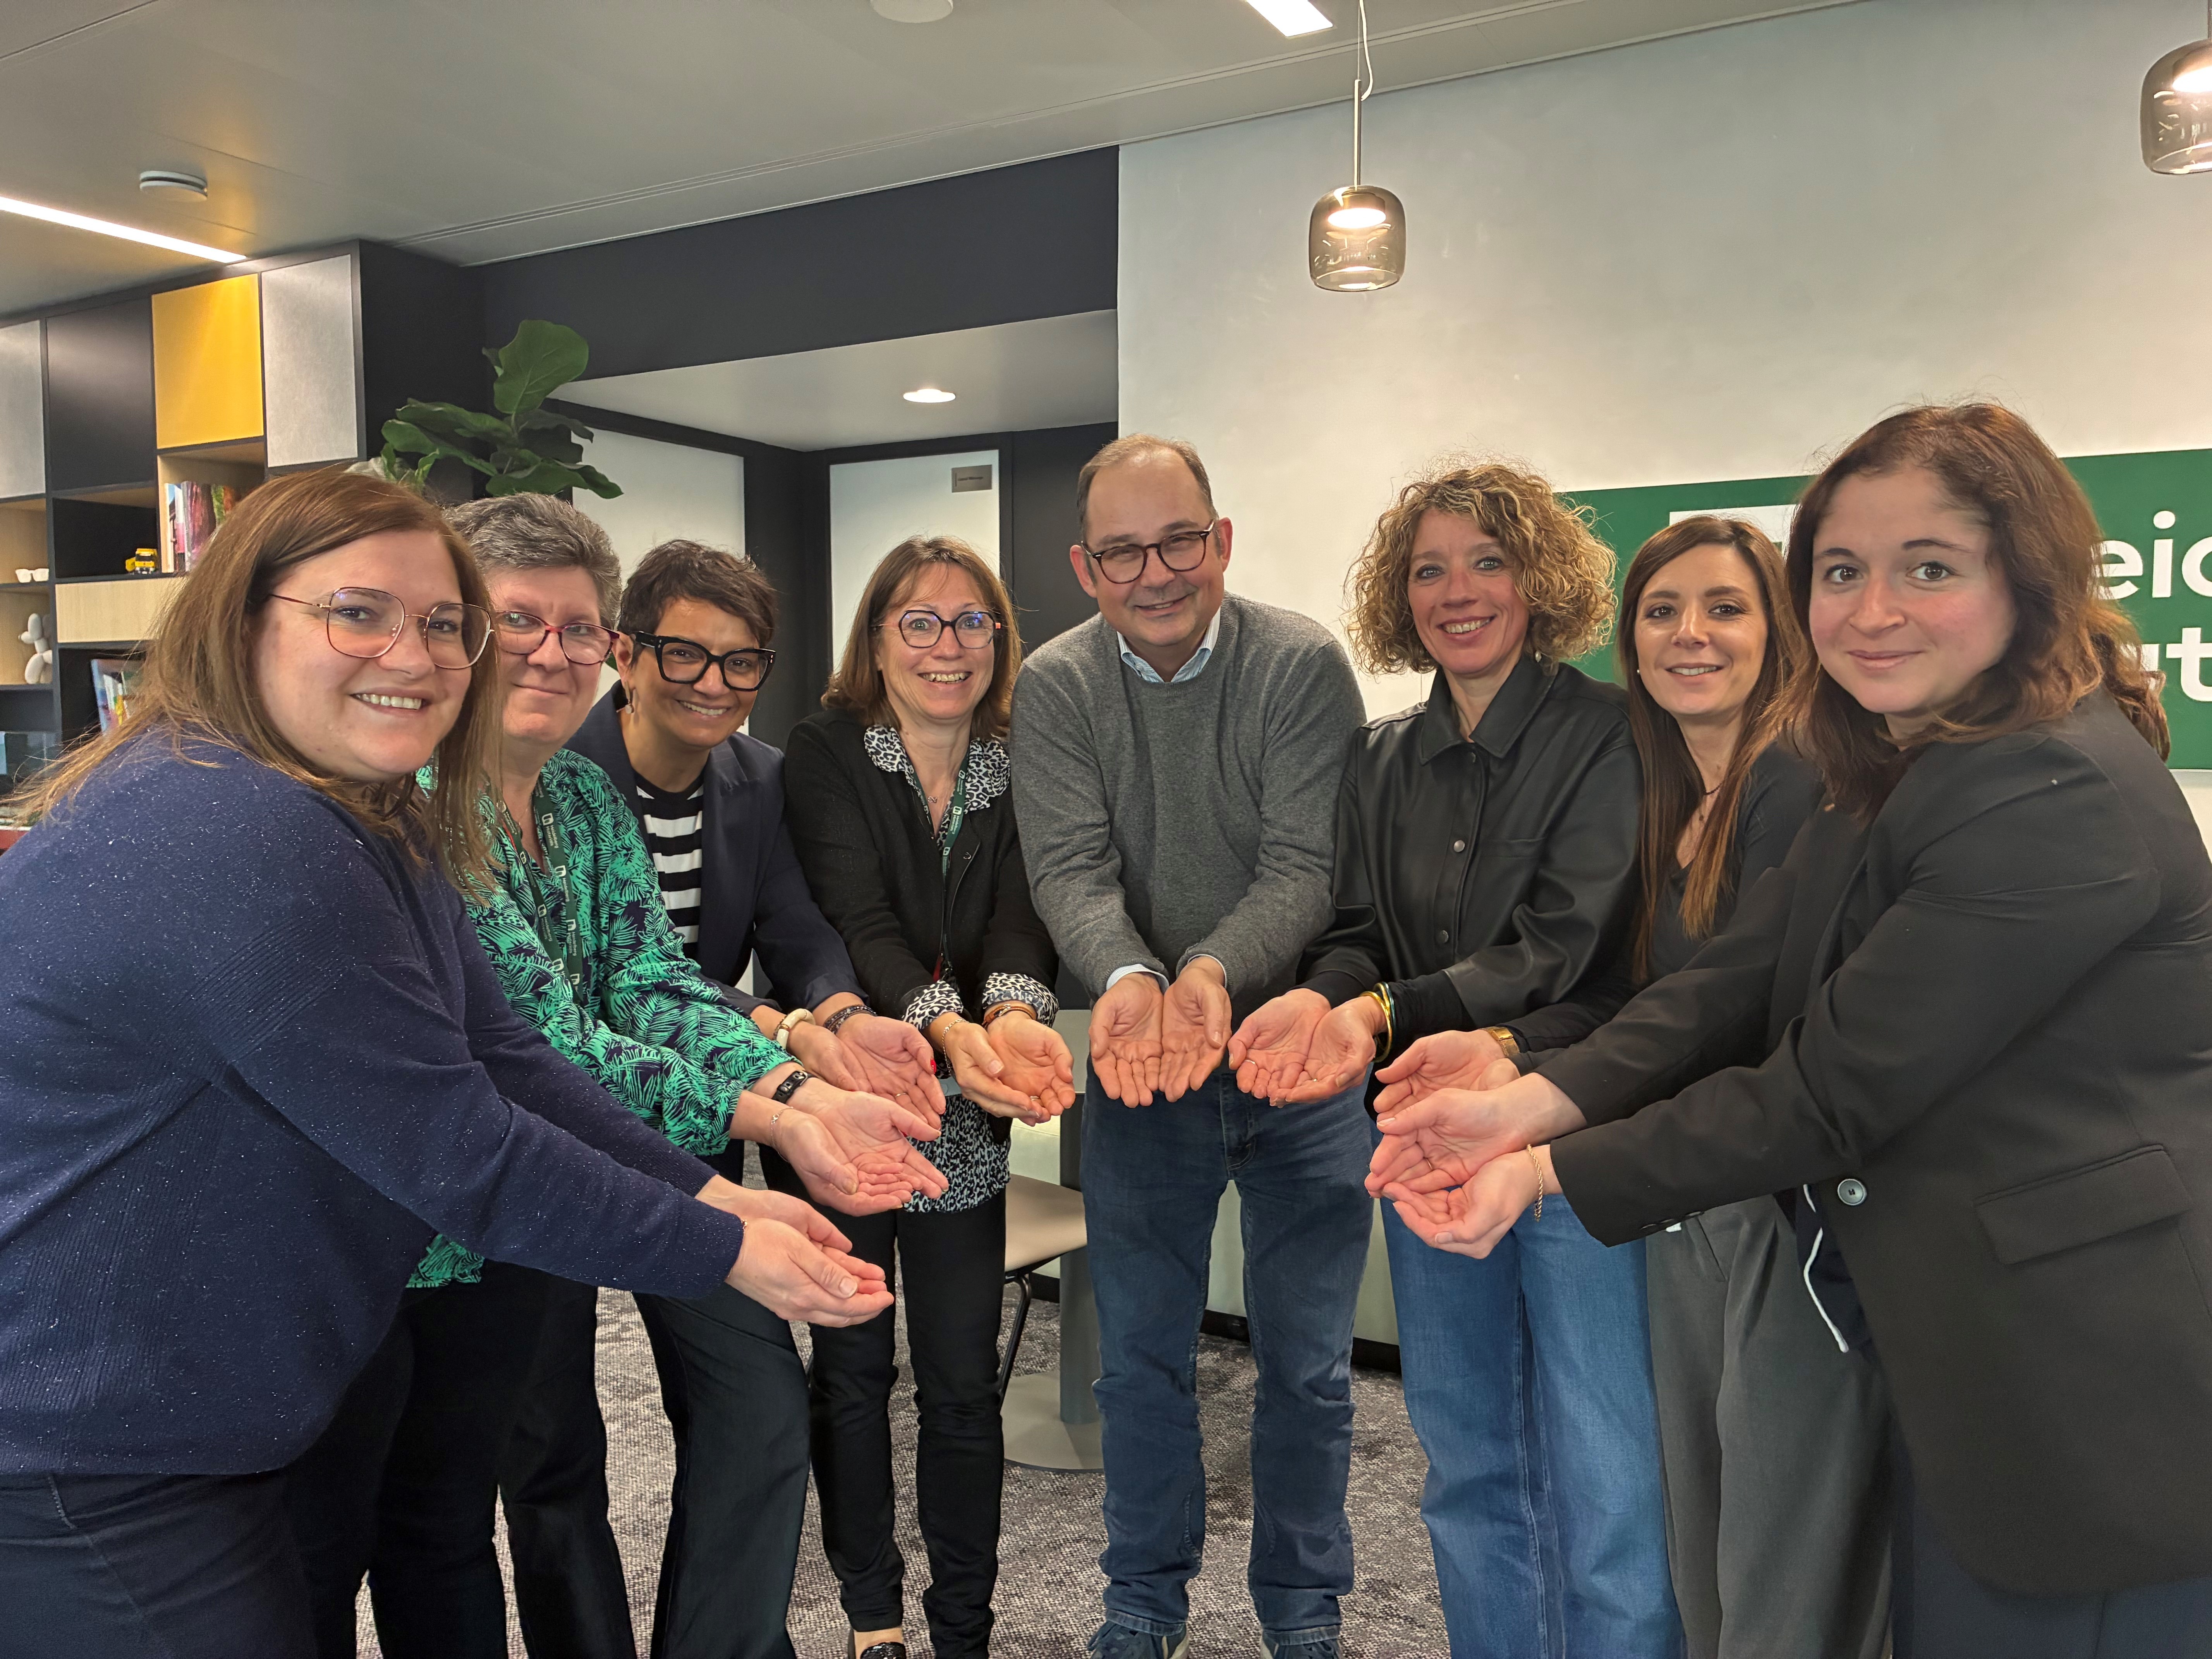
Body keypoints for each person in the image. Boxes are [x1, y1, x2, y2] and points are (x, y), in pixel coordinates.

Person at [0, 470, 889, 1659]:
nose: (414, 654)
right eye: (359, 612)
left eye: (442, 623)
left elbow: (506, 1047)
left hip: (195, 1403)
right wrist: (733, 1231)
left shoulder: (366, 811)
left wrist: (721, 1182)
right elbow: (466, 1141)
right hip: (91, 1431)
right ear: (245, 615)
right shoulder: (243, 825)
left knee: (433, 1529)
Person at [1374, 404, 2212, 1658]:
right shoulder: (1906, 759)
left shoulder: (2055, 786)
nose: (1873, 610)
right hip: (1963, 1354)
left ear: (2026, 578)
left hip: (2084, 1389)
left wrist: (1538, 1171)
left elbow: (1826, 1090)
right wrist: (1527, 1100)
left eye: (1929, 566)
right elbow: (1734, 979)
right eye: (1841, 570)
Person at [1396, 516, 1889, 1658]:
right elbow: (1637, 992)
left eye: (1725, 607)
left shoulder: (1801, 778)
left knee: (1758, 1550)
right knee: (1697, 1518)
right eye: (1663, 611)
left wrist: (1532, 1110)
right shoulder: (1675, 789)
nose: (1690, 635)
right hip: (1688, 1197)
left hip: (1782, 1212)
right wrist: (1509, 1052)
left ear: (1782, 630)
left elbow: (1731, 1004)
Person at [1231, 462, 1676, 1658]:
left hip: (1570, 1130)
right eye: (1429, 568)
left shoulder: (1612, 737)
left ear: (1539, 581)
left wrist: (1378, 1006)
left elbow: (1565, 946)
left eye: (1486, 560)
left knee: (1606, 1473)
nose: (1457, 590)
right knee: (1467, 1459)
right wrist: (1324, 1004)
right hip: (1424, 1133)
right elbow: (1355, 928)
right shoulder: (1380, 758)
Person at [502, 532, 941, 1659]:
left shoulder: (730, 779)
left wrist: (829, 1036)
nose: (712, 683)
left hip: (692, 1134)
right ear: (633, 654)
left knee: (751, 1403)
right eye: (684, 655)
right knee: (548, 1457)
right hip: (527, 1161)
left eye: (741, 662)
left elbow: (728, 952)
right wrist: (791, 1085)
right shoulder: (565, 769)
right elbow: (560, 1034)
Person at [1011, 434, 1369, 1659]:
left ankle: (1302, 1610)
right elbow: (1068, 867)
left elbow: (1305, 867)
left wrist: (1207, 977)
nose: (1155, 571)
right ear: (1085, 564)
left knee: (1311, 1368)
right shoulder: (1055, 684)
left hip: (1292, 1064)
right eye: (1124, 549)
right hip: (1136, 1075)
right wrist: (1129, 981)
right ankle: (1142, 1602)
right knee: (1137, 1366)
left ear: (1221, 541)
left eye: (1179, 541)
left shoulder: (1301, 665)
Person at [781, 533, 1077, 1659]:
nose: (947, 646)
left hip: (966, 1111)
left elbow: (1024, 907)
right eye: (920, 621)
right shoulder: (825, 748)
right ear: (877, 636)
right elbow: (854, 921)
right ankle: (873, 1613)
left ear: (999, 640)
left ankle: (965, 1626)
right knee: (852, 1368)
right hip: (855, 1093)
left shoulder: (1023, 746)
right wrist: (942, 1023)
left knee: (959, 1381)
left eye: (972, 622)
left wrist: (1007, 1015)